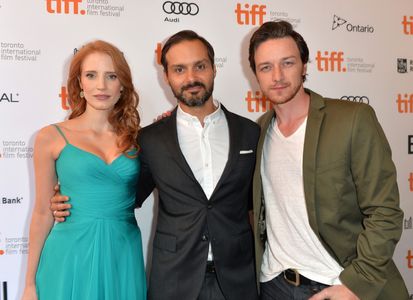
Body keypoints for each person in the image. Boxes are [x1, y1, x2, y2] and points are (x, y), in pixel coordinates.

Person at [50, 31, 260, 300]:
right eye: (179, 69)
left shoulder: (250, 132)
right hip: (175, 281)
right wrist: (65, 196)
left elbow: (259, 205)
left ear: (214, 68)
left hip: (238, 281)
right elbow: (122, 195)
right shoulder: (149, 140)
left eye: (200, 66)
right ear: (167, 77)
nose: (191, 78)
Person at [249, 21, 409, 300]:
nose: (277, 75)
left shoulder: (352, 119)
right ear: (256, 75)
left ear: (304, 65)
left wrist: (356, 284)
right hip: (274, 284)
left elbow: (385, 212)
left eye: (287, 63)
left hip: (336, 284)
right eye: (266, 67)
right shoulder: (260, 130)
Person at [22, 40, 146, 300]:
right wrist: (29, 285)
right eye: (91, 75)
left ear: (122, 85)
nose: (101, 86)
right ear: (79, 84)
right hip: (70, 255)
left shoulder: (139, 139)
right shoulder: (50, 137)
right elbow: (43, 212)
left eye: (111, 76)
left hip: (122, 255)